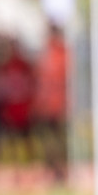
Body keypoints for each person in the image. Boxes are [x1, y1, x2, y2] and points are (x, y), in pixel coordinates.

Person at [34, 25, 70, 185]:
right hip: (48, 104)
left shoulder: (61, 53)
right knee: (49, 140)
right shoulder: (47, 53)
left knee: (59, 139)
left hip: (59, 104)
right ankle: (54, 170)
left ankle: (61, 170)